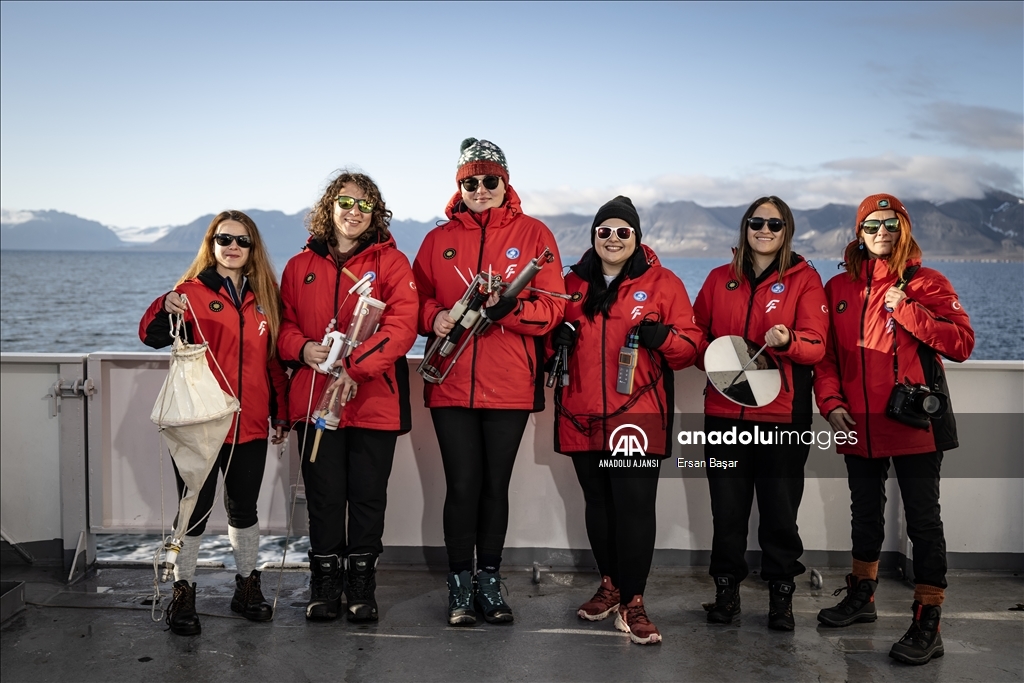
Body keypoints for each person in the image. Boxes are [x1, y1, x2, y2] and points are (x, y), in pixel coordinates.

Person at [814, 194, 974, 665]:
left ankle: (929, 619)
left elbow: (962, 343)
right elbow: (826, 358)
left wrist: (907, 310)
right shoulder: (837, 287)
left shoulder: (927, 283)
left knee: (924, 523)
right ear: (858, 233)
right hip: (854, 422)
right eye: (872, 225)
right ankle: (861, 597)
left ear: (903, 228)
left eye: (891, 224)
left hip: (914, 424)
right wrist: (830, 403)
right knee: (863, 514)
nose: (881, 232)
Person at [412, 138, 565, 625]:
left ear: (505, 182)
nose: (480, 189)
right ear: (460, 185)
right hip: (450, 382)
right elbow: (414, 302)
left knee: (494, 487)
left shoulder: (535, 233)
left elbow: (555, 308)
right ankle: (459, 585)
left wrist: (512, 309)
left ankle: (490, 582)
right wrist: (434, 316)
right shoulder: (437, 240)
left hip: (511, 384)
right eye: (470, 182)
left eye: (489, 180)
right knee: (462, 486)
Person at [552, 196, 701, 645]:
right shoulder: (571, 284)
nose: (612, 239)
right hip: (580, 415)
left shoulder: (663, 282)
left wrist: (665, 338)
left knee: (633, 509)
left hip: (637, 416)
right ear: (593, 236)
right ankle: (610, 586)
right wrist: (551, 340)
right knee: (598, 505)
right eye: (604, 231)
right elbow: (544, 345)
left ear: (636, 237)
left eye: (622, 232)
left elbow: (691, 347)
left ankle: (634, 602)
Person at [139, 210, 289, 636]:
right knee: (195, 510)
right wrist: (162, 303)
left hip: (252, 424)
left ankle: (246, 588)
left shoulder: (266, 296)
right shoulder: (189, 293)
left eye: (242, 241)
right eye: (225, 239)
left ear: (253, 247)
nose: (234, 247)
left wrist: (282, 412)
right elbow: (150, 335)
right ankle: (183, 593)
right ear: (212, 244)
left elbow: (274, 362)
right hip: (200, 424)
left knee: (244, 510)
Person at [277, 171, 418, 622]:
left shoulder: (393, 264)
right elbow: (282, 325)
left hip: (374, 402)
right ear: (329, 208)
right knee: (323, 497)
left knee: (367, 496)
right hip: (317, 400)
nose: (353, 212)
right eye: (345, 202)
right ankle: (324, 584)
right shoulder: (299, 267)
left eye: (364, 205)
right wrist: (302, 347)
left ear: (375, 212)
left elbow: (403, 328)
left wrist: (355, 369)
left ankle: (361, 586)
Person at [692, 196, 829, 631]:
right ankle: (726, 591)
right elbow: (699, 341)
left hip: (783, 417)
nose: (764, 229)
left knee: (779, 511)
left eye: (774, 223)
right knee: (727, 510)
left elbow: (817, 346)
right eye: (756, 221)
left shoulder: (805, 281)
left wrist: (789, 340)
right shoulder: (718, 280)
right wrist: (707, 353)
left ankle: (781, 597)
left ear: (786, 230)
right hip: (724, 414)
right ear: (745, 227)